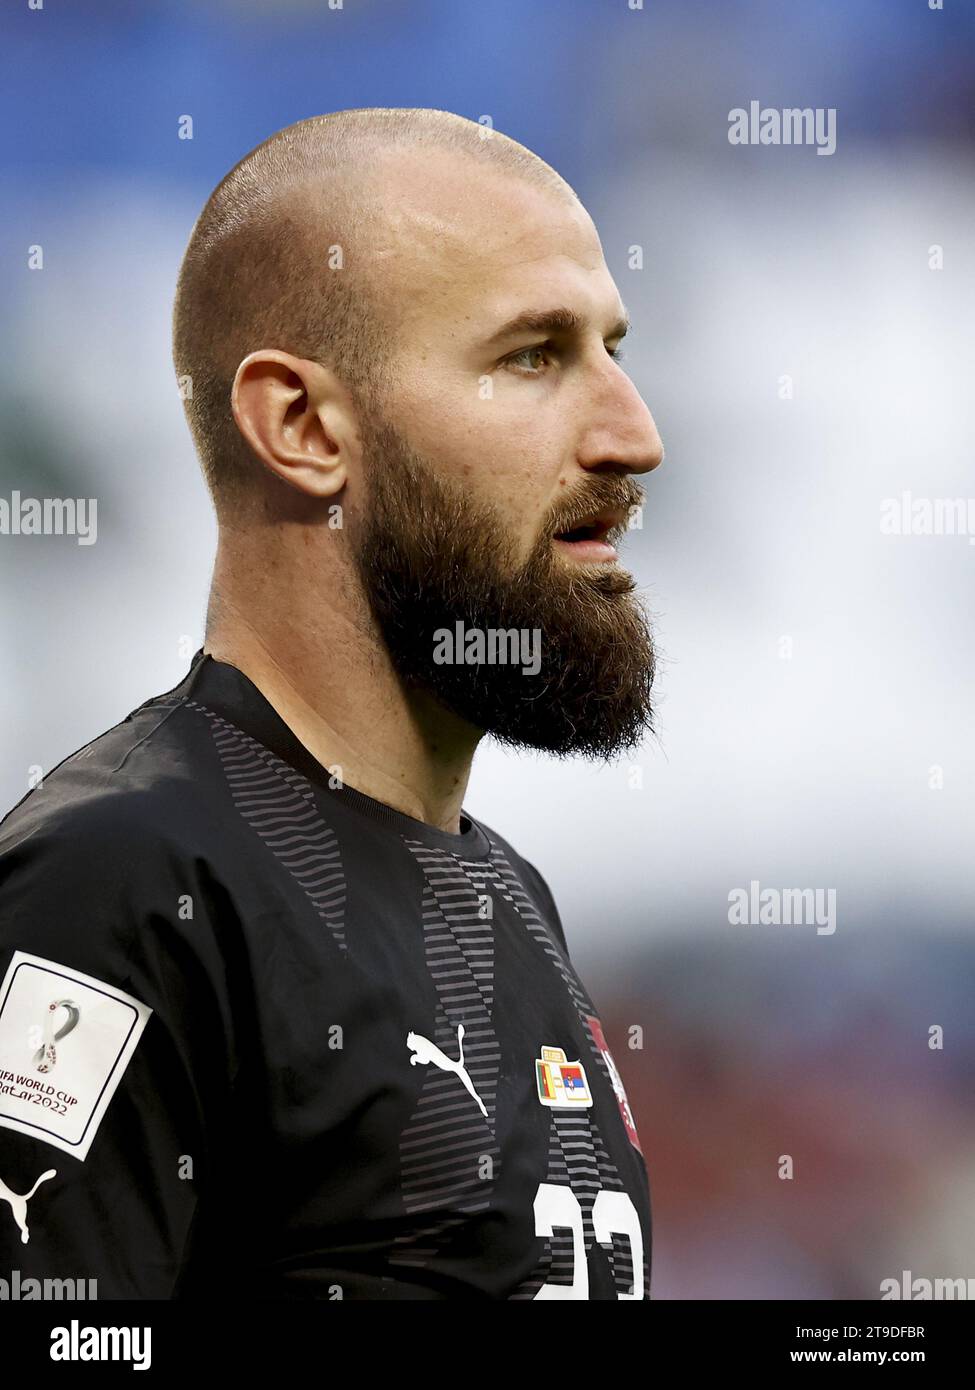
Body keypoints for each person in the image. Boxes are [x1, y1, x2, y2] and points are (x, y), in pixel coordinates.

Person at [0, 108, 664, 1300]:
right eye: (533, 356)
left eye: (614, 350)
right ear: (302, 426)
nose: (634, 435)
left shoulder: (512, 901)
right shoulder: (120, 884)